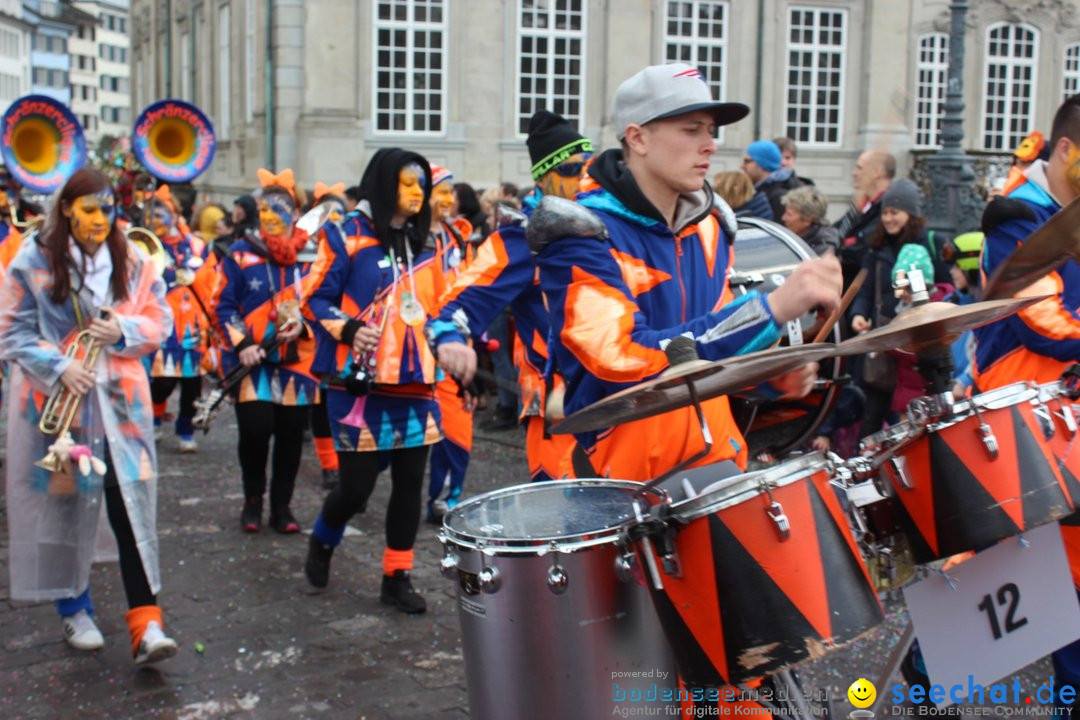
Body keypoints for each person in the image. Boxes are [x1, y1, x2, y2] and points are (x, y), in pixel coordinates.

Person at [536, 63, 840, 483]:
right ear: (637, 137)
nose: (710, 145)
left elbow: (711, 360)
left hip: (718, 470)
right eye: (691, 129)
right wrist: (769, 311)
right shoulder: (576, 235)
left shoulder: (713, 227)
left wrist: (770, 378)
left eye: (711, 130)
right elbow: (623, 356)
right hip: (621, 488)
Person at [0, 167, 178, 663]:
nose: (102, 220)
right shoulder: (32, 260)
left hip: (122, 410)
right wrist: (57, 368)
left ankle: (147, 624)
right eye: (90, 210)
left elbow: (159, 321)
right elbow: (10, 331)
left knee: (132, 508)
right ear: (66, 210)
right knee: (64, 508)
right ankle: (74, 607)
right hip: (58, 416)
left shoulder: (134, 258)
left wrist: (121, 329)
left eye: (108, 209)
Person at [304, 149, 446, 614]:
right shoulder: (344, 234)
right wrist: (346, 328)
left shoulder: (429, 242)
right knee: (357, 489)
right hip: (357, 381)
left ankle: (397, 576)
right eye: (408, 184)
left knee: (410, 481)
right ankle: (324, 537)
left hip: (416, 380)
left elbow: (443, 302)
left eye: (421, 186)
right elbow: (314, 298)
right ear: (385, 184)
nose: (417, 194)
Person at [429, 110, 592, 484]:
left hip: (619, 399)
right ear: (543, 178)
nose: (583, 180)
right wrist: (449, 337)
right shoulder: (523, 239)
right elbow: (455, 305)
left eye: (589, 168)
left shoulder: (604, 225)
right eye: (569, 171)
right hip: (558, 407)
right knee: (565, 523)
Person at [213, 168, 316, 534]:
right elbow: (222, 305)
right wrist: (242, 344)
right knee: (256, 432)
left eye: (279, 209)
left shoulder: (313, 255)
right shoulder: (240, 253)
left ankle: (282, 507)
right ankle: (252, 500)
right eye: (265, 210)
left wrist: (307, 325)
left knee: (290, 437)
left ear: (295, 212)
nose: (271, 217)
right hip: (253, 362)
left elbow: (326, 304)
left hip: (297, 361)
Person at [849, 178, 939, 436]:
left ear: (910, 214)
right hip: (884, 337)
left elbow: (943, 288)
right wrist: (858, 314)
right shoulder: (877, 247)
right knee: (872, 416)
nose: (888, 219)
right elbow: (865, 289)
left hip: (912, 344)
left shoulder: (927, 245)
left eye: (894, 213)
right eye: (885, 213)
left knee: (908, 415)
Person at [146, 184, 217, 452]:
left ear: (175, 215)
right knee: (162, 380)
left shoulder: (197, 245)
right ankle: (154, 420)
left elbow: (211, 280)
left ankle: (185, 430)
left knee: (191, 383)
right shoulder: (146, 244)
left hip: (193, 326)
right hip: (163, 323)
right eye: (152, 214)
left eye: (162, 213)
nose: (156, 219)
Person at [424, 164, 477, 521]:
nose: (448, 199)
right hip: (415, 353)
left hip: (454, 352)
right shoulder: (410, 242)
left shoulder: (458, 240)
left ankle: (446, 498)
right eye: (440, 191)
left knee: (457, 432)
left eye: (450, 192)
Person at [833, 150, 895, 286]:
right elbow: (835, 231)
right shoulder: (861, 204)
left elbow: (859, 251)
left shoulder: (888, 209)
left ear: (877, 172)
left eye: (860, 168)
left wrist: (836, 251)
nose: (854, 173)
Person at [742, 139, 806, 219]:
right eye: (780, 157)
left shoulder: (780, 195)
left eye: (747, 161)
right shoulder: (761, 188)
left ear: (762, 163)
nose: (782, 162)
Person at [780, 185, 840, 255]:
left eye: (789, 214)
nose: (783, 218)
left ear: (807, 219)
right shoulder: (800, 238)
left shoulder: (824, 247)